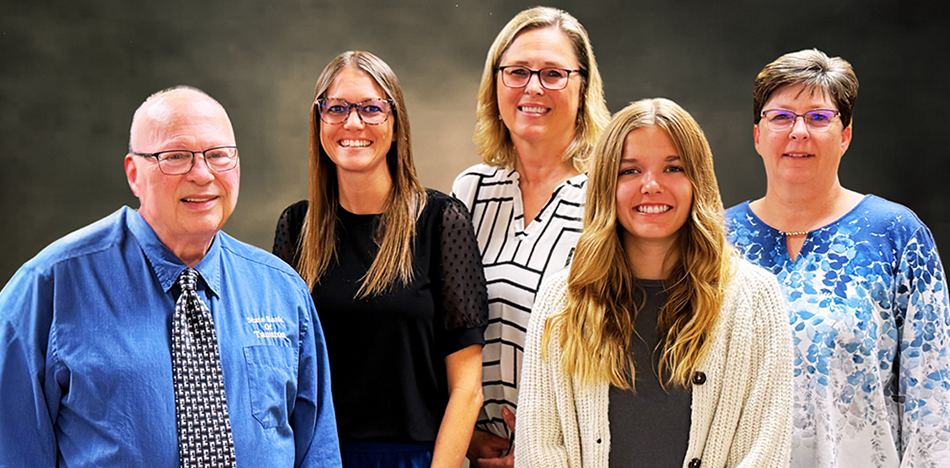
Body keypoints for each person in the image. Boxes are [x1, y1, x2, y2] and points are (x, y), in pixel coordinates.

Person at [0, 86, 341, 467]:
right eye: (176, 157)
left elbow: (318, 451)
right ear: (134, 173)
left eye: (218, 155)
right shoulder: (49, 286)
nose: (202, 174)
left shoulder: (281, 289)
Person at [516, 98, 794, 467]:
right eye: (629, 171)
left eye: (673, 168)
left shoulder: (756, 298)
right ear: (605, 185)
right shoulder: (561, 299)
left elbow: (765, 450)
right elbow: (540, 449)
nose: (651, 186)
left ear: (699, 182)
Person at [725, 48, 950, 467]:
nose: (798, 131)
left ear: (845, 134)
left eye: (818, 117)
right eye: (781, 117)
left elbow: (933, 405)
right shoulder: (715, 241)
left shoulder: (897, 235)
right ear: (757, 135)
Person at [272, 51, 488, 468]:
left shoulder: (441, 222)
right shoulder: (296, 227)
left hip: (418, 459)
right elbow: (284, 378)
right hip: (320, 458)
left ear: (395, 123)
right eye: (336, 108)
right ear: (319, 120)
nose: (353, 123)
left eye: (371, 108)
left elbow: (467, 388)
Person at [450, 7, 611, 465]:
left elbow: (625, 344)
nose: (533, 88)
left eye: (554, 74)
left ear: (583, 88)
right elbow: (446, 334)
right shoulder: (470, 191)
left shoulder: (608, 198)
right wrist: (470, 437)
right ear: (495, 84)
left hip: (576, 454)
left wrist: (542, 447)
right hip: (483, 454)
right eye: (517, 72)